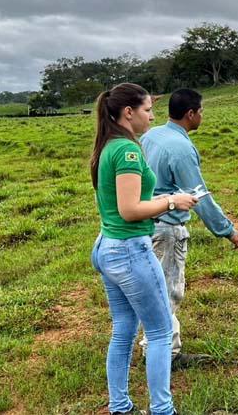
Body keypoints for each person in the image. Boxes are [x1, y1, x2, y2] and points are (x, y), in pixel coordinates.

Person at [89, 82, 197, 415]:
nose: (152, 117)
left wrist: (167, 199)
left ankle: (119, 406)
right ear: (128, 112)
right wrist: (171, 201)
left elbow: (126, 203)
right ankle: (163, 410)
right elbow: (130, 210)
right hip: (130, 251)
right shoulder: (128, 151)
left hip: (107, 247)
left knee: (123, 328)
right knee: (161, 331)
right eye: (148, 110)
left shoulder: (109, 146)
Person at [140, 88, 238, 369]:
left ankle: (155, 347)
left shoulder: (150, 136)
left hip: (144, 221)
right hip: (167, 226)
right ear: (190, 114)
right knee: (168, 291)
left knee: (154, 286)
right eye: (201, 111)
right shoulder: (181, 148)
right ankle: (163, 354)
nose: (202, 115)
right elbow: (198, 196)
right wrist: (227, 230)